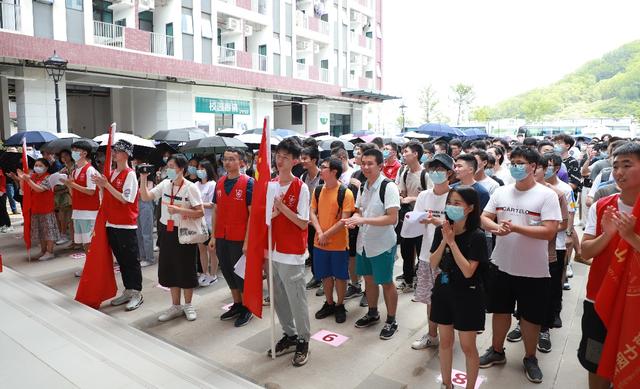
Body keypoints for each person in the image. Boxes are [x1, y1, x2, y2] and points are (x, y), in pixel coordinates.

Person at [479, 147, 561, 384]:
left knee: (531, 317)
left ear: (534, 167)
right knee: (500, 310)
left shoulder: (546, 196)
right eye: (513, 162)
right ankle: (496, 350)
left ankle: (530, 357)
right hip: (501, 263)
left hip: (533, 269)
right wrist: (496, 228)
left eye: (521, 162)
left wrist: (514, 228)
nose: (516, 166)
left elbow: (549, 231)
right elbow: (484, 218)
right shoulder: (502, 192)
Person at [579, 142, 640, 389]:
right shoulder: (603, 206)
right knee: (596, 359)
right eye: (616, 166)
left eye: (628, 165)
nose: (619, 172)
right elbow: (585, 251)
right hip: (599, 297)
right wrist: (608, 234)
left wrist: (631, 238)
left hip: (634, 302)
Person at [430, 186, 488, 389]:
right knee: (445, 342)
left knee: (467, 346)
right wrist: (444, 241)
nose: (451, 207)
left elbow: (468, 271)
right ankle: (447, 384)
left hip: (468, 295)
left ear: (470, 208)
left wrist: (452, 244)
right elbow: (433, 262)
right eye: (450, 202)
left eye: (457, 203)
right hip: (444, 291)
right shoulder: (442, 230)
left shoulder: (477, 236)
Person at [343, 148, 401, 340]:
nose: (366, 167)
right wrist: (355, 219)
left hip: (382, 244)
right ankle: (373, 312)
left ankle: (391, 319)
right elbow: (359, 210)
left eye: (370, 164)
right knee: (368, 279)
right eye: (363, 163)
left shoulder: (388, 187)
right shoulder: (363, 186)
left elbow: (392, 218)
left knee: (385, 282)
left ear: (380, 165)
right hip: (364, 243)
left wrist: (363, 221)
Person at [140, 154, 204, 321]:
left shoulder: (190, 187)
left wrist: (179, 210)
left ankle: (188, 305)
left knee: (186, 268)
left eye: (171, 166)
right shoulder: (165, 184)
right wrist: (143, 178)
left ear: (181, 169)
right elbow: (145, 196)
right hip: (166, 231)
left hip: (184, 232)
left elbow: (200, 212)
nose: (168, 169)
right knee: (170, 268)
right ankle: (175, 305)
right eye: (167, 166)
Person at [267, 138, 311, 367]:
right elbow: (264, 218)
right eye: (278, 155)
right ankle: (290, 334)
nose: (280, 160)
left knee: (297, 298)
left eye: (285, 157)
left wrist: (282, 208)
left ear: (295, 161)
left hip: (291, 252)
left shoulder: (300, 187)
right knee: (277, 296)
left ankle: (303, 339)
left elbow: (303, 223)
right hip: (272, 250)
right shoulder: (271, 184)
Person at [92, 140, 144, 311]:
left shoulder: (130, 174)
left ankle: (137, 292)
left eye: (118, 151)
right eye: (114, 150)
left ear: (126, 154)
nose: (114, 154)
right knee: (121, 261)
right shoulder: (113, 173)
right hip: (112, 223)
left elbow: (125, 199)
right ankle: (128, 290)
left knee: (131, 261)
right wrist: (102, 185)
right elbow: (107, 195)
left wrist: (106, 185)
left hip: (126, 225)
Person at [411, 153, 455, 350]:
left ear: (450, 173)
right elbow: (418, 221)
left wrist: (437, 222)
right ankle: (432, 335)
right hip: (426, 255)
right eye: (433, 169)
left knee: (448, 298)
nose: (436, 173)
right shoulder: (424, 195)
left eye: (440, 170)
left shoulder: (455, 196)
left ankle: (449, 337)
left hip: (449, 257)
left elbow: (458, 226)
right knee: (430, 298)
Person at [210, 148, 254, 327]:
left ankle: (247, 307)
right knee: (227, 271)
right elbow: (215, 209)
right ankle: (237, 304)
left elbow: (252, 215)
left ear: (241, 162)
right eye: (225, 159)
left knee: (241, 274)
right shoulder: (219, 183)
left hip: (239, 237)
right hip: (222, 235)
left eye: (232, 159)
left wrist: (247, 241)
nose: (227, 162)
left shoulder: (249, 183)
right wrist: (213, 236)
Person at [310, 157, 355, 323]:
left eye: (324, 167)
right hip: (319, 243)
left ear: (334, 171)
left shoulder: (345, 192)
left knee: (340, 276)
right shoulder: (317, 190)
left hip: (338, 244)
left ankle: (340, 305)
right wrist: (320, 232)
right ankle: (329, 303)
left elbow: (344, 219)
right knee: (325, 276)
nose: (321, 169)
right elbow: (312, 213)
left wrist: (325, 235)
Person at [62, 142, 100, 276]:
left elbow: (91, 191)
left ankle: (93, 268)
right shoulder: (74, 170)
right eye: (73, 150)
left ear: (84, 153)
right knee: (85, 243)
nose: (74, 153)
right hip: (78, 211)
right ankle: (90, 266)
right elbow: (73, 193)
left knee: (90, 243)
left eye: (76, 150)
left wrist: (72, 184)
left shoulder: (90, 170)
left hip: (89, 213)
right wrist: (69, 185)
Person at [396, 141, 429, 293]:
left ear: (416, 154)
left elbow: (430, 197)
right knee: (406, 250)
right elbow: (402, 191)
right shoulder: (404, 172)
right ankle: (408, 280)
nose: (403, 155)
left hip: (422, 219)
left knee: (422, 250)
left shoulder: (425, 174)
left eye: (406, 152)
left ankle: (422, 281)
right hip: (407, 217)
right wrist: (402, 196)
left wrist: (412, 198)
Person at [17, 158, 60, 260]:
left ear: (46, 167)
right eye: (36, 165)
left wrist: (28, 180)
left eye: (40, 165)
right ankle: (43, 251)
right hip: (35, 208)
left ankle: (50, 252)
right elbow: (24, 189)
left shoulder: (49, 177)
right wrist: (21, 179)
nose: (37, 167)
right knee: (41, 231)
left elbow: (39, 189)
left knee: (48, 231)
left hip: (46, 209)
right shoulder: (33, 176)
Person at [300, 146, 323, 291]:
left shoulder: (323, 176)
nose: (302, 161)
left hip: (322, 220)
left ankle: (326, 278)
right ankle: (317, 276)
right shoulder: (303, 177)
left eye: (305, 158)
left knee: (323, 250)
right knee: (313, 250)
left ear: (314, 160)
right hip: (308, 220)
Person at [195, 159, 218, 286]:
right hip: (199, 222)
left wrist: (198, 204)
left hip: (210, 222)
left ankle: (213, 274)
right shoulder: (196, 185)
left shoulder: (212, 184)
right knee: (202, 249)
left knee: (212, 250)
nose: (200, 171)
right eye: (199, 168)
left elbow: (212, 204)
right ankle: (204, 272)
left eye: (202, 169)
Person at [132, 157, 156, 268]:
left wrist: (143, 179)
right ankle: (142, 256)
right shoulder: (135, 177)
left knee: (147, 233)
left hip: (146, 205)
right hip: (137, 205)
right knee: (139, 232)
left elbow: (145, 192)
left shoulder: (149, 178)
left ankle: (150, 258)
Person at [54, 149, 74, 245]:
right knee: (63, 216)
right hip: (64, 195)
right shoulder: (63, 168)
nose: (64, 158)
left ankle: (72, 239)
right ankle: (65, 235)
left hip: (71, 195)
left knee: (70, 218)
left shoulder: (75, 167)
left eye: (66, 155)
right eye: (62, 156)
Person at [0, 167, 12, 232]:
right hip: (2, 191)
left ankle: (8, 225)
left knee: (3, 209)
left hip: (1, 192)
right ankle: (2, 225)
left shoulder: (1, 171)